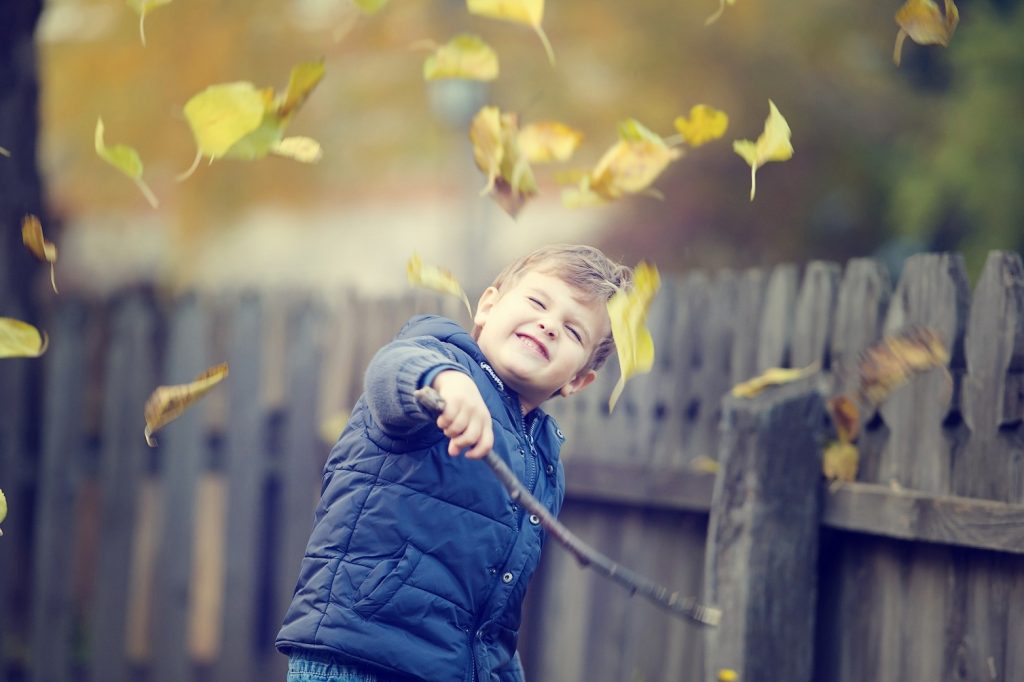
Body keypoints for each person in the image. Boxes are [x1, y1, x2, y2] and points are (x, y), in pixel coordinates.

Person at [276, 244, 633, 682]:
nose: (549, 325)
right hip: (358, 654)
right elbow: (392, 371)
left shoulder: (543, 463)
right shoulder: (438, 358)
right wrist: (445, 382)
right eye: (538, 303)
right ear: (488, 306)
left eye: (573, 331)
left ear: (578, 380)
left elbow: (493, 614)